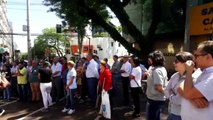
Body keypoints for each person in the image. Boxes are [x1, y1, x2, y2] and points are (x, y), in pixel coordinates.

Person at [178, 41, 213, 120]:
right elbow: (180, 87)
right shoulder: (199, 71)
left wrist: (189, 72)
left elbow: (187, 92)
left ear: (208, 56)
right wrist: (192, 98)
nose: (194, 59)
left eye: (197, 55)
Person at [164, 52, 194, 120]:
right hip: (171, 112)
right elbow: (166, 90)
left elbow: (179, 100)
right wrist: (173, 95)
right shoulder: (175, 75)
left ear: (185, 63)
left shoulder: (191, 79)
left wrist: (170, 95)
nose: (173, 63)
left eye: (176, 61)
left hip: (181, 115)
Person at [145, 50, 168, 120]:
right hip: (155, 99)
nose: (149, 60)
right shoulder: (159, 69)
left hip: (155, 100)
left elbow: (159, 87)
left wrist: (169, 94)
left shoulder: (157, 71)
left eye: (151, 58)